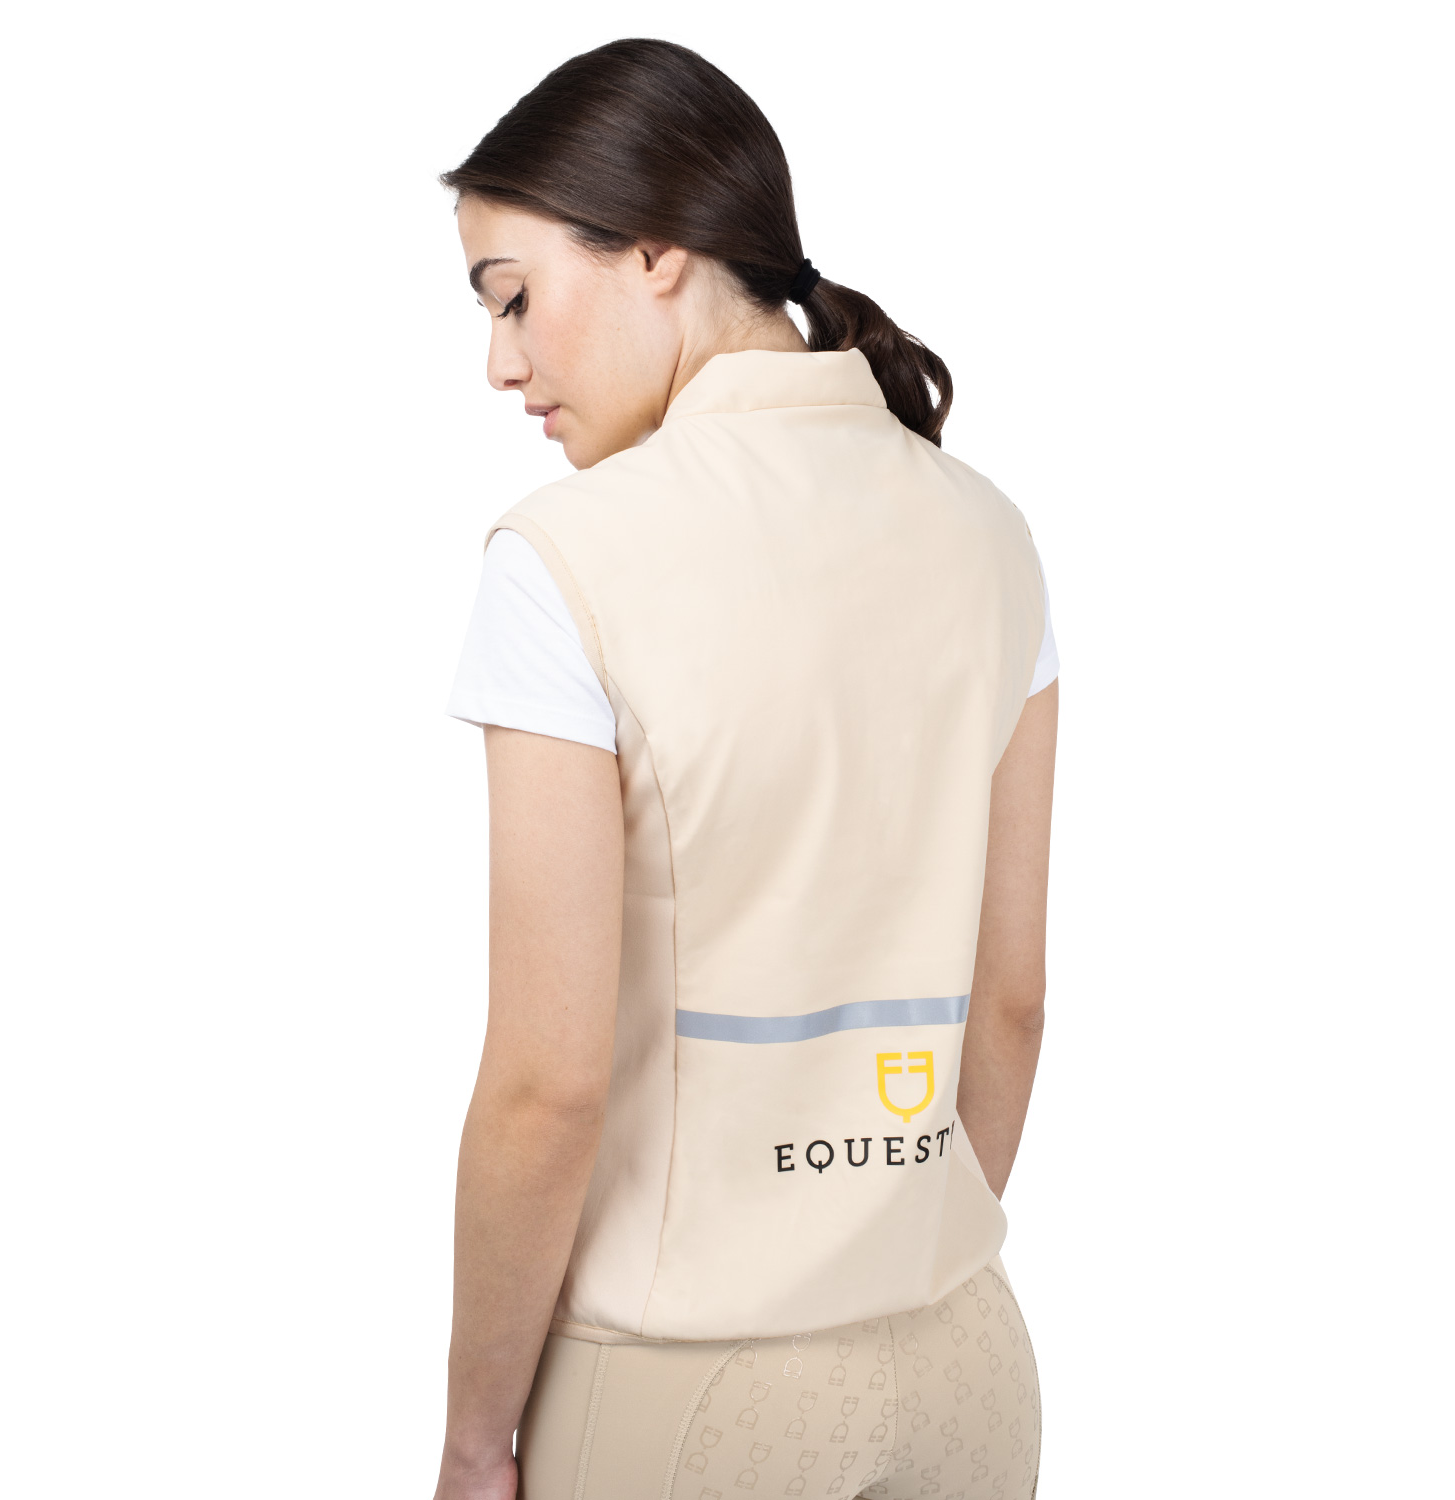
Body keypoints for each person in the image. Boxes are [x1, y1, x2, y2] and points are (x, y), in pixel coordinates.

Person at [432, 38, 1059, 1500]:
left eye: (513, 296)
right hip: (967, 1365)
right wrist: (886, 1247)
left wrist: (473, 1438)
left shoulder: (565, 562)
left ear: (657, 250)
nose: (499, 363)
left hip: (683, 1393)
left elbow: (545, 1088)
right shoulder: (990, 533)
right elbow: (1013, 1004)